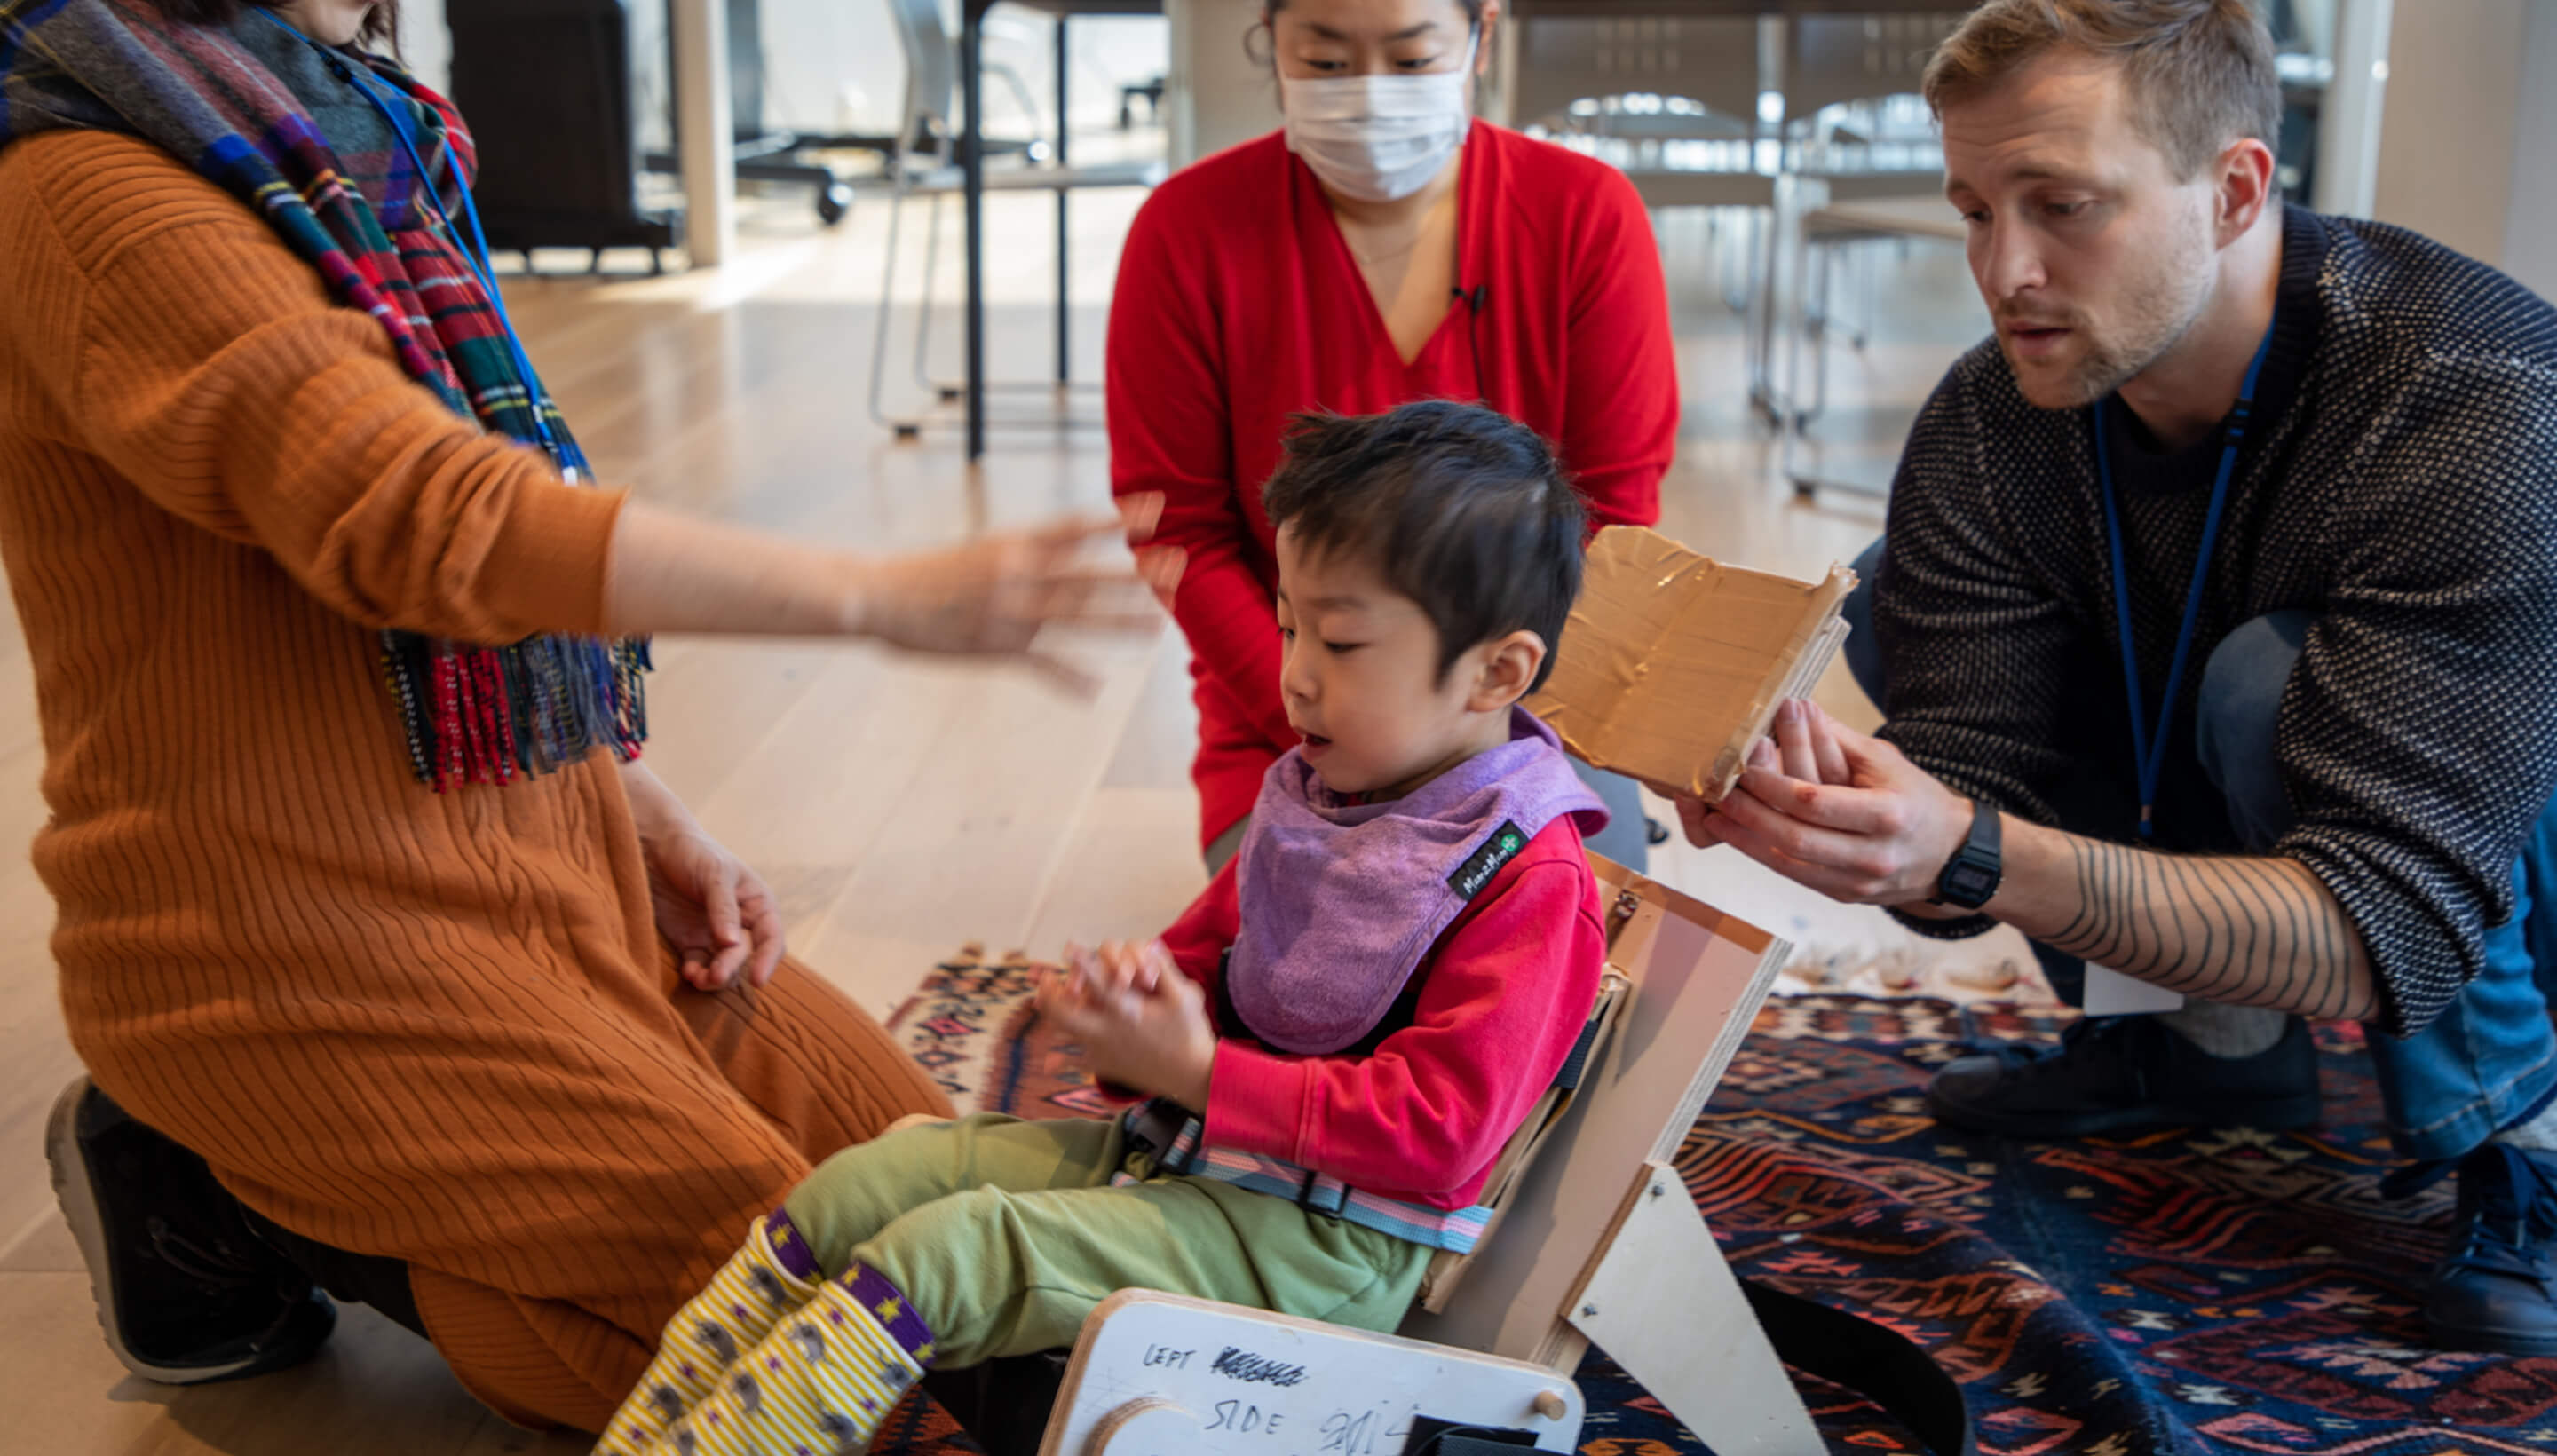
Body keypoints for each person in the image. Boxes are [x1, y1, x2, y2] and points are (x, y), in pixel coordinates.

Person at [3, 0, 1159, 1432]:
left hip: (546, 886)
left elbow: (405, 619)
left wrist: (622, 795)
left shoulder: (342, 124)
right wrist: (875, 594)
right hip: (290, 959)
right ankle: (242, 1180)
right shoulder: (90, 188)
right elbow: (428, 518)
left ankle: (327, 1194)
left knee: (963, 1201)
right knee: (828, 1346)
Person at [1678, 0, 2557, 1357]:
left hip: (2484, 817)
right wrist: (1852, 822)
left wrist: (1972, 852)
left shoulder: (2465, 392)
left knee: (2265, 687)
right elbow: (1971, 785)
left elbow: (2389, 923)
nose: (2004, 269)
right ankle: (2207, 1049)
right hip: (2301, 786)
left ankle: (2526, 1135)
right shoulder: (1995, 414)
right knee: (1891, 586)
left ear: (2236, 189)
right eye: (1976, 210)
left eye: (2064, 206)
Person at [590, 401, 1611, 1456]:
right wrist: (1135, 999)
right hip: (1192, 1164)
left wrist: (1203, 1073)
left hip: (1320, 1250)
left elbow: (1442, 1129)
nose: (1297, 672)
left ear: (1497, 672)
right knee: (865, 1181)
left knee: (956, 1252)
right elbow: (1211, 950)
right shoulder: (1323, 795)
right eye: (1290, 625)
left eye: (1342, 641)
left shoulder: (1529, 882)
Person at [1107, 0, 1679, 875]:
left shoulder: (1584, 215)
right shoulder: (1187, 231)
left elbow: (1612, 524)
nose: (1370, 95)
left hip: (1529, 706)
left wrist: (1475, 725)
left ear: (1482, 36)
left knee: (1579, 931)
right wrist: (1326, 699)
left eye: (1411, 62)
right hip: (1291, 711)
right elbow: (1180, 528)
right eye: (1326, 63)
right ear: (1272, 41)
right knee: (1309, 943)